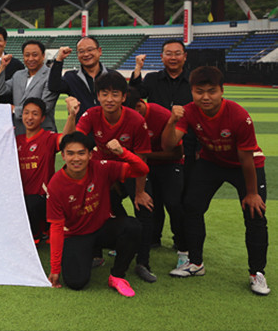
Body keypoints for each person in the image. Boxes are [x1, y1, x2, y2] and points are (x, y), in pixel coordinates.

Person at [162, 66, 269, 295]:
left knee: (254, 213)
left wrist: (252, 193)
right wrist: (171, 121)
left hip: (245, 165)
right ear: (192, 91)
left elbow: (246, 157)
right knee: (191, 206)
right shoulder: (188, 111)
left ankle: (257, 273)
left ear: (222, 91)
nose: (206, 97)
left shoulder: (239, 115)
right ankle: (196, 263)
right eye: (199, 91)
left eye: (212, 91)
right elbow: (169, 145)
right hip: (212, 162)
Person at [64, 71, 155, 282]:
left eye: (115, 94)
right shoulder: (91, 114)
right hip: (104, 170)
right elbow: (71, 141)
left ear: (124, 97)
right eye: (104, 94)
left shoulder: (136, 120)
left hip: (130, 168)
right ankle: (97, 254)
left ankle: (143, 262)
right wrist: (71, 115)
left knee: (145, 208)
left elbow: (142, 159)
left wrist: (140, 192)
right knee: (95, 204)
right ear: (98, 96)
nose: (109, 99)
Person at [47, 132, 149, 297]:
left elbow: (142, 169)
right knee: (76, 282)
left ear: (90, 155)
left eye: (81, 153)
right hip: (76, 235)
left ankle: (117, 276)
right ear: (63, 156)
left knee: (132, 227)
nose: (76, 158)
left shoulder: (101, 167)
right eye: (70, 153)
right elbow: (56, 227)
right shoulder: (56, 185)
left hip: (102, 228)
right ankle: (88, 254)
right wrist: (55, 269)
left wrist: (122, 152)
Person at [129, 39, 196, 246]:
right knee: (154, 197)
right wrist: (138, 68)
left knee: (179, 200)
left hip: (188, 144)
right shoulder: (152, 78)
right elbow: (135, 95)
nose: (173, 57)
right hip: (154, 143)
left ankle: (182, 241)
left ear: (185, 56)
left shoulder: (193, 81)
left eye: (177, 53)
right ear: (162, 57)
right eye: (168, 53)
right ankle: (153, 238)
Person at [124, 87, 188, 269]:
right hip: (142, 164)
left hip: (169, 164)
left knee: (173, 203)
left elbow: (177, 153)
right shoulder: (126, 117)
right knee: (148, 202)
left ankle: (183, 248)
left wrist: (144, 155)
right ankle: (150, 240)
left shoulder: (161, 116)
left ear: (139, 106)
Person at [15, 97, 75, 242]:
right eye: (26, 113)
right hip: (19, 198)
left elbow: (66, 140)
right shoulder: (15, 140)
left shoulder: (48, 138)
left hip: (42, 199)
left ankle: (38, 234)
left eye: (35, 114)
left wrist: (72, 115)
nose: (30, 117)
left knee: (32, 203)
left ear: (42, 118)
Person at [0, 40, 59, 134]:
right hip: (19, 132)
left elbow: (45, 106)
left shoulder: (51, 76)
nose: (30, 59)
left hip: (42, 132)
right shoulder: (18, 75)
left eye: (35, 55)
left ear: (43, 56)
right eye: (27, 55)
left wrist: (14, 109)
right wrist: (2, 67)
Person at [47, 36, 108, 120]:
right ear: (77, 55)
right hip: (81, 126)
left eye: (90, 50)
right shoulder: (71, 77)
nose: (86, 54)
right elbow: (54, 86)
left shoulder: (112, 76)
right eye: (81, 51)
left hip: (108, 126)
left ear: (99, 51)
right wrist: (59, 60)